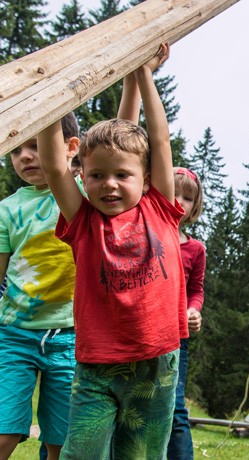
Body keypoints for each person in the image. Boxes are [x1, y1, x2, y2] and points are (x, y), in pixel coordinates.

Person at [36, 43, 188, 459]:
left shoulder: (160, 207)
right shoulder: (84, 223)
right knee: (81, 454)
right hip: (97, 366)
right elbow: (52, 167)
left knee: (139, 455)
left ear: (147, 176)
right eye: (97, 175)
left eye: (123, 174)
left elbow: (157, 139)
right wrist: (51, 96)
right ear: (82, 176)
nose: (109, 184)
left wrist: (142, 74)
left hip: (157, 363)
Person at [0, 114, 80, 460]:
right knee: (4, 432)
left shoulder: (86, 193)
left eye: (35, 145)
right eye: (16, 150)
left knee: (61, 442)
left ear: (71, 148)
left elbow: (123, 141)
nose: (25, 157)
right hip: (14, 335)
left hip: (70, 336)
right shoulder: (7, 209)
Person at [167, 166, 206, 459]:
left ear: (195, 206)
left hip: (176, 338)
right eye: (173, 192)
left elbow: (196, 289)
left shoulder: (195, 249)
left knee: (175, 406)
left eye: (188, 197)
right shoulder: (145, 235)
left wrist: (194, 310)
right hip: (138, 333)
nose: (179, 201)